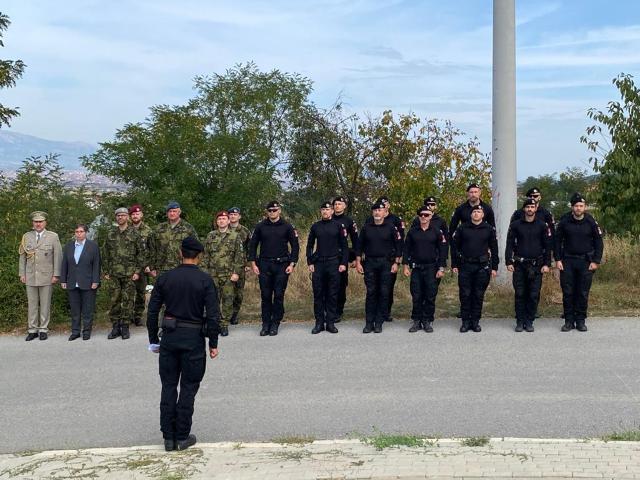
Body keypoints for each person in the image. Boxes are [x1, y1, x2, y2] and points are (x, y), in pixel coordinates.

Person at [147, 236, 221, 452]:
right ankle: (182, 436)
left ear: (180, 253)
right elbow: (214, 315)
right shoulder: (205, 280)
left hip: (169, 337)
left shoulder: (165, 278)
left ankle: (168, 438)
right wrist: (213, 343)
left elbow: (152, 312)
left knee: (168, 386)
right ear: (199, 255)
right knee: (188, 387)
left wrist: (153, 339)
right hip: (193, 338)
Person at [247, 201, 300, 336]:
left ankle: (275, 323)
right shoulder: (260, 226)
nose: (272, 213)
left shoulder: (287, 226)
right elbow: (253, 245)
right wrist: (253, 264)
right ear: (267, 212)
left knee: (278, 295)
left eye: (274, 210)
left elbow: (295, 246)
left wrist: (292, 264)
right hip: (264, 265)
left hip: (282, 265)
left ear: (279, 211)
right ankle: (265, 324)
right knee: (265, 295)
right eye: (270, 210)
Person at [555, 193, 604, 332]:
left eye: (581, 206)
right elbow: (557, 241)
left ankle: (580, 320)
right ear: (572, 207)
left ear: (585, 207)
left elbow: (599, 243)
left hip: (586, 262)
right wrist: (558, 259)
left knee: (582, 292)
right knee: (568, 292)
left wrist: (596, 261)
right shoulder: (564, 221)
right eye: (576, 206)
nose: (578, 208)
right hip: (567, 261)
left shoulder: (591, 222)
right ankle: (569, 321)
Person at [505, 199, 552, 332]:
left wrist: (547, 264)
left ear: (536, 208)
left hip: (537, 265)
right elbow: (509, 244)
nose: (530, 209)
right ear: (524, 209)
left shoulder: (542, 225)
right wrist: (508, 261)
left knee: (533, 294)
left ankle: (529, 321)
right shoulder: (516, 225)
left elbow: (547, 246)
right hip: (520, 265)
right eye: (528, 207)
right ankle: (520, 321)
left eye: (532, 206)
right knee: (520, 294)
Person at [355, 201, 402, 333]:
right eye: (375, 210)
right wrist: (358, 262)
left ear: (384, 212)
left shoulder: (391, 227)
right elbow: (359, 247)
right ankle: (369, 322)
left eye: (379, 210)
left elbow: (399, 246)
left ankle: (379, 322)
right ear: (372, 212)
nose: (377, 212)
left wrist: (396, 263)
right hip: (369, 263)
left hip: (386, 264)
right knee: (371, 292)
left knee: (384, 292)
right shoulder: (366, 228)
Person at [451, 205, 499, 332]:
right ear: (470, 214)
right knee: (465, 295)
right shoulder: (462, 228)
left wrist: (495, 267)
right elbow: (455, 247)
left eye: (479, 211)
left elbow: (494, 248)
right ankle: (465, 322)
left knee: (478, 295)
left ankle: (475, 322)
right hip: (465, 266)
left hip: (482, 267)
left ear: (483, 215)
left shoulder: (489, 229)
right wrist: (454, 264)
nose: (476, 213)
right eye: (474, 211)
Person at [403, 206, 448, 333]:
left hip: (431, 268)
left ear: (431, 216)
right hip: (416, 268)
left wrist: (441, 268)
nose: (423, 217)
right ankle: (416, 320)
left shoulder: (437, 231)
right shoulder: (413, 232)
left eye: (426, 215)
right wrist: (405, 266)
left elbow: (443, 250)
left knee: (430, 295)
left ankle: (427, 320)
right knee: (416, 295)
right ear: (418, 216)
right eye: (421, 214)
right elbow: (406, 249)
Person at [19, 211, 62, 341]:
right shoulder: (26, 236)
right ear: (33, 223)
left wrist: (56, 274)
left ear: (45, 223)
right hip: (30, 276)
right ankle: (32, 330)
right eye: (36, 222)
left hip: (46, 276)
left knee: (45, 304)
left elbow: (58, 256)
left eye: (40, 222)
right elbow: (22, 256)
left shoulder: (53, 236)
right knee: (32, 304)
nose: (38, 224)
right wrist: (22, 273)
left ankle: (43, 329)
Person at [306, 201, 349, 334]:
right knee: (318, 294)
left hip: (334, 263)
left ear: (332, 211)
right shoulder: (315, 226)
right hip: (319, 264)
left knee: (332, 294)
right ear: (321, 211)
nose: (325, 211)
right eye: (323, 209)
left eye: (328, 209)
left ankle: (330, 323)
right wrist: (310, 262)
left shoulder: (338, 226)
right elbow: (309, 245)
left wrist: (343, 263)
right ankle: (319, 323)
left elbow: (345, 246)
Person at [102, 207, 144, 340]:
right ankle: (115, 327)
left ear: (127, 217)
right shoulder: (111, 234)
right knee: (114, 300)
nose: (120, 217)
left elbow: (141, 254)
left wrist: (137, 271)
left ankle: (125, 327)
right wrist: (106, 271)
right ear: (116, 218)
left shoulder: (134, 233)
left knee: (128, 300)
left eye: (123, 215)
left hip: (129, 274)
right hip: (114, 273)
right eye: (118, 215)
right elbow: (105, 253)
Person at [202, 211, 244, 337]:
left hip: (228, 275)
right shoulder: (211, 236)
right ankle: (213, 324)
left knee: (227, 300)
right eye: (219, 219)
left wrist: (236, 273)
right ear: (216, 221)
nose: (221, 221)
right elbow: (205, 256)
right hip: (213, 274)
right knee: (212, 301)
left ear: (228, 221)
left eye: (224, 219)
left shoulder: (235, 236)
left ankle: (224, 324)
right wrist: (204, 273)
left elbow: (239, 256)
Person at [365, 196, 405, 321]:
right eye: (377, 208)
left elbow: (400, 240)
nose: (378, 210)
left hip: (388, 260)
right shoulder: (369, 222)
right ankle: (373, 316)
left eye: (384, 204)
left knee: (386, 289)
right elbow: (364, 240)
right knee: (372, 289)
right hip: (371, 260)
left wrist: (397, 260)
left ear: (388, 206)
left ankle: (385, 314)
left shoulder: (395, 220)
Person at [60, 224, 101, 340]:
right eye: (77, 231)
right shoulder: (69, 246)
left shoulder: (93, 246)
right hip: (72, 282)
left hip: (88, 282)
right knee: (74, 309)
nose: (79, 234)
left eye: (81, 231)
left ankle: (87, 331)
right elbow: (64, 264)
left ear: (86, 233)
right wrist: (63, 279)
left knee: (87, 309)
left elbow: (96, 264)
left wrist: (96, 280)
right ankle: (75, 331)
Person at [149, 201, 198, 277]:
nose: (172, 213)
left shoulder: (188, 228)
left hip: (182, 268)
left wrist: (192, 266)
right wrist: (152, 267)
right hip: (162, 268)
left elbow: (196, 248)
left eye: (174, 211)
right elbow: (152, 247)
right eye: (170, 211)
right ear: (167, 213)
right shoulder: (159, 228)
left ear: (179, 212)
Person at [332, 196, 358, 322]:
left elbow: (355, 241)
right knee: (328, 285)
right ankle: (329, 309)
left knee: (341, 285)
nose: (337, 206)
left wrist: (354, 259)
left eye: (339, 204)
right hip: (328, 257)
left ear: (344, 206)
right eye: (335, 204)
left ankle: (338, 311)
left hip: (342, 257)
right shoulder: (327, 218)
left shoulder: (349, 221)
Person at [129, 204, 153, 327]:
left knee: (140, 292)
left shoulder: (148, 231)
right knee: (127, 292)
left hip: (143, 267)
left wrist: (149, 265)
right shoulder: (126, 230)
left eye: (137, 214)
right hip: (128, 266)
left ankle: (138, 316)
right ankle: (127, 315)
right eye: (133, 214)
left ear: (141, 215)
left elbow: (152, 249)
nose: (135, 216)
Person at [227, 207, 251, 325]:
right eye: (230, 214)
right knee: (226, 291)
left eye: (235, 215)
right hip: (225, 265)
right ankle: (225, 314)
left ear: (239, 216)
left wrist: (248, 264)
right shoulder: (223, 228)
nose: (232, 216)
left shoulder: (245, 231)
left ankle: (234, 315)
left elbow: (249, 248)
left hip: (240, 265)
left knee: (238, 293)